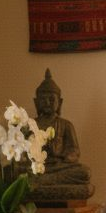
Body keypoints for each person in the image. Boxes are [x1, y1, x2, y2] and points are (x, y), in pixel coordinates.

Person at [27, 69, 93, 199]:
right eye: (43, 99)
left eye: (51, 99)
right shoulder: (30, 125)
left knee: (84, 172)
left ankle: (41, 183)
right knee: (13, 172)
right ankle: (40, 181)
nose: (47, 103)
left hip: (59, 167)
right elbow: (23, 153)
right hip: (37, 169)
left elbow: (74, 151)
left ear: (60, 103)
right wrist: (35, 156)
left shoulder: (66, 125)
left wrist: (61, 156)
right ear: (36, 102)